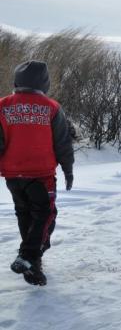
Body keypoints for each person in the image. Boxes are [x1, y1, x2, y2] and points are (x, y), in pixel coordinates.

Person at [0, 60, 74, 286]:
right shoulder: (51, 107)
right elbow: (62, 143)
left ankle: (33, 266)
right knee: (45, 216)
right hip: (41, 175)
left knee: (25, 215)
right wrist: (68, 170)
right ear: (44, 82)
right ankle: (29, 255)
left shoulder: (2, 106)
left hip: (12, 176)